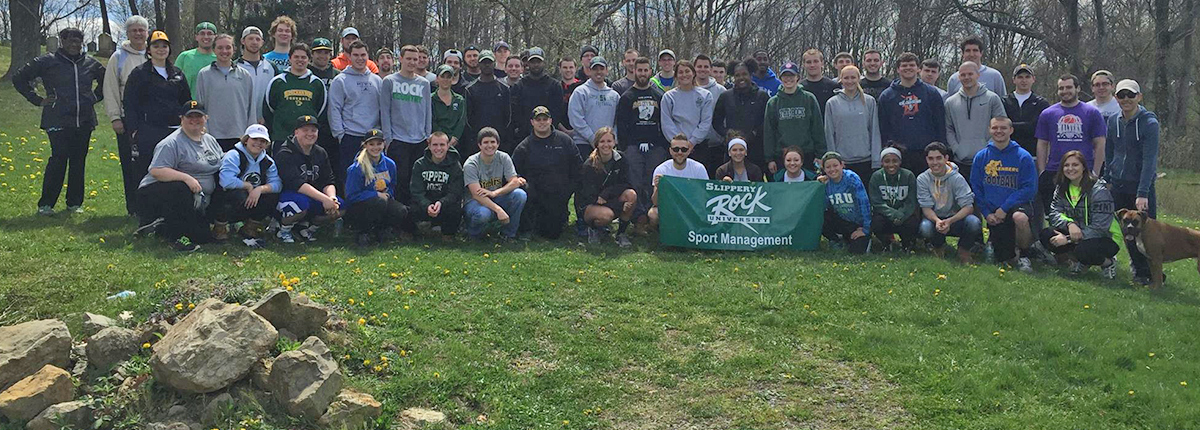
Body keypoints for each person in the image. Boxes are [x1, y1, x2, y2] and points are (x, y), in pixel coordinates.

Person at [13, 27, 105, 216]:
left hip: (84, 120)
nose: (74, 45)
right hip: (57, 119)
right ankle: (46, 204)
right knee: (58, 160)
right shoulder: (48, 61)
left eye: (78, 41)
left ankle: (74, 203)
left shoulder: (90, 63)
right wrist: (38, 100)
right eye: (70, 41)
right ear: (62, 41)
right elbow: (19, 78)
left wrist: (94, 98)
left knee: (79, 162)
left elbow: (108, 80)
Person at [132, 101, 223, 251]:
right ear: (181, 119)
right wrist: (187, 178)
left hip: (196, 198)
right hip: (158, 193)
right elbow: (157, 170)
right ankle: (176, 237)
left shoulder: (209, 140)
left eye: (198, 116)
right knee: (181, 187)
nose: (194, 120)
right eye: (190, 116)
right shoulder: (171, 143)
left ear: (206, 118)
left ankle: (160, 226)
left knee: (204, 237)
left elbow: (220, 162)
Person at [124, 30, 192, 212]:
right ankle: (144, 211)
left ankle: (170, 209)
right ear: (149, 50)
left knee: (173, 170)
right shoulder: (139, 74)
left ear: (169, 49)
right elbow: (130, 103)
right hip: (149, 130)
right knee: (147, 170)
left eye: (164, 46)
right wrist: (134, 130)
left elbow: (186, 101)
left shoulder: (178, 74)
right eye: (156, 46)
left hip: (174, 131)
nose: (160, 49)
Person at [1104, 79, 1159, 285]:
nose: (1126, 99)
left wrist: (1143, 192)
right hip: (1118, 184)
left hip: (1140, 186)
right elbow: (1110, 152)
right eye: (1122, 95)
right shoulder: (1112, 121)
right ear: (1116, 98)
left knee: (1146, 233)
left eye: (1131, 95)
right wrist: (1108, 178)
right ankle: (1138, 269)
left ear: (1139, 97)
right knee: (1128, 230)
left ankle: (1153, 272)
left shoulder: (1149, 123)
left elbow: (1149, 160)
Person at [1035, 74, 1106, 220]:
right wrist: (1042, 171)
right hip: (1054, 171)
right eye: (1061, 88)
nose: (1065, 91)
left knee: (1084, 216)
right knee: (1055, 217)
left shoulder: (1091, 112)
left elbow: (1100, 144)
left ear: (1077, 88)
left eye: (1069, 87)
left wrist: (1096, 172)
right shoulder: (1048, 114)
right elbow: (1042, 143)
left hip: (1084, 173)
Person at [972, 117, 1038, 271]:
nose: (999, 131)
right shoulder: (981, 157)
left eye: (1003, 128)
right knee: (1004, 257)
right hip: (994, 213)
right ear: (989, 130)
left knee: (1020, 218)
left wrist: (1005, 208)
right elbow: (976, 187)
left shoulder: (1023, 156)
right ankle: (996, 245)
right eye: (995, 128)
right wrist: (987, 213)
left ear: (1011, 130)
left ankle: (1024, 255)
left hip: (1016, 207)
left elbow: (1029, 188)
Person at [1042, 150, 1119, 278]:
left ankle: (1108, 263)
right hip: (1077, 233)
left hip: (1105, 238)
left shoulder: (1099, 191)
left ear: (1084, 167)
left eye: (1075, 165)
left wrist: (1067, 239)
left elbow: (1100, 228)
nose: (1070, 169)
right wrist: (1069, 224)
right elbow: (1054, 213)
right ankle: (1080, 262)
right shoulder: (1062, 188)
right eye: (1066, 165)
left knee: (1083, 250)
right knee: (1047, 235)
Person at [513, 106, 581, 239]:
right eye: (538, 120)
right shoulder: (524, 147)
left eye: (545, 119)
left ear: (551, 121)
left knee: (552, 233)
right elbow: (513, 172)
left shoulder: (565, 141)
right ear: (532, 122)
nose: (542, 122)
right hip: (535, 195)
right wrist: (520, 180)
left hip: (559, 193)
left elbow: (578, 166)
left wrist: (568, 189)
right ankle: (527, 226)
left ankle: (561, 216)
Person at [104, 16, 149, 216]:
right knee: (131, 165)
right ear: (127, 33)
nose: (138, 34)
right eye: (134, 30)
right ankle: (134, 207)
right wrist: (115, 118)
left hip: (153, 120)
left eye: (142, 30)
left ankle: (153, 205)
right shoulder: (118, 57)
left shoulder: (154, 53)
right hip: (128, 119)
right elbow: (111, 89)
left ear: (147, 32)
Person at [274, 115, 344, 243]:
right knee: (300, 205)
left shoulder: (320, 152)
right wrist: (324, 199)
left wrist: (331, 198)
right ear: (296, 132)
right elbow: (297, 184)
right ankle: (283, 229)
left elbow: (328, 179)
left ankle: (308, 228)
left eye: (313, 130)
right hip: (288, 195)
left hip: (313, 196)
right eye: (305, 130)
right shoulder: (285, 152)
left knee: (341, 206)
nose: (310, 134)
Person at [616, 56, 668, 222]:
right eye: (640, 70)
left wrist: (660, 145)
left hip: (656, 147)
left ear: (650, 71)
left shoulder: (659, 95)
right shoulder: (627, 97)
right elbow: (622, 125)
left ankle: (652, 215)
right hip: (633, 147)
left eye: (646, 70)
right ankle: (638, 218)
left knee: (652, 182)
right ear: (634, 71)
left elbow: (663, 122)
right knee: (635, 182)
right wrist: (627, 147)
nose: (643, 73)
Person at [379, 45, 433, 201]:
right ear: (400, 59)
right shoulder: (389, 81)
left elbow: (428, 111)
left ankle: (417, 217)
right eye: (408, 58)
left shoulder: (424, 84)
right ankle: (400, 218)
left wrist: (427, 135)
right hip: (398, 140)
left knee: (416, 181)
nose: (412, 62)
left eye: (415, 59)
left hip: (419, 140)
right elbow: (385, 111)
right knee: (400, 180)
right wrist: (388, 139)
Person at [214, 124, 281, 246]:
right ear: (246, 140)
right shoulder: (233, 155)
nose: (258, 143)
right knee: (238, 194)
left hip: (252, 198)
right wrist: (248, 186)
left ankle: (250, 227)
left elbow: (277, 184)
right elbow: (226, 181)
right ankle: (220, 226)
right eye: (254, 139)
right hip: (225, 198)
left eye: (262, 141)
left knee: (272, 196)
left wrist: (260, 189)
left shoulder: (268, 161)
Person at [328, 40, 383, 191]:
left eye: (363, 55)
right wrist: (340, 135)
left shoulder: (377, 80)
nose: (360, 58)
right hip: (350, 137)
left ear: (368, 56)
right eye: (356, 55)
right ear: (349, 57)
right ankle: (348, 210)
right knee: (349, 178)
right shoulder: (340, 80)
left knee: (374, 177)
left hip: (373, 138)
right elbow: (334, 109)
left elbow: (382, 109)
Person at [879, 52, 946, 173]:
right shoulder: (887, 96)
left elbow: (940, 123)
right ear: (898, 69)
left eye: (911, 65)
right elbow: (884, 127)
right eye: (904, 65)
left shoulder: (931, 93)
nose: (908, 68)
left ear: (918, 69)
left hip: (927, 152)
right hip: (899, 154)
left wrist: (941, 149)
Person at [944, 61, 1006, 184]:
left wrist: (987, 150)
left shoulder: (992, 98)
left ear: (978, 75)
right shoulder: (950, 102)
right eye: (963, 75)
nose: (966, 78)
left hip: (988, 161)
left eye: (970, 74)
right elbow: (948, 128)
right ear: (958, 77)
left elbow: (1001, 126)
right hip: (961, 162)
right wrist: (957, 149)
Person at [917, 142, 980, 262]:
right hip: (935, 218)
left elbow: (968, 207)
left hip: (955, 218)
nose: (935, 163)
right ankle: (938, 246)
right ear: (926, 160)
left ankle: (964, 249)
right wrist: (937, 221)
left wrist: (950, 221)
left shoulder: (957, 178)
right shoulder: (922, 179)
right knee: (925, 228)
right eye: (931, 159)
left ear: (946, 158)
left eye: (938, 158)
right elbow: (925, 207)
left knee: (974, 223)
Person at [344, 129, 408, 245]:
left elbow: (392, 184)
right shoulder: (357, 167)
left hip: (383, 200)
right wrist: (375, 194)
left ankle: (382, 230)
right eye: (371, 144)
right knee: (378, 202)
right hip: (360, 207)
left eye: (379, 144)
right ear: (365, 145)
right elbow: (351, 196)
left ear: (384, 144)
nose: (375, 148)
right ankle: (363, 232)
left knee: (400, 210)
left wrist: (389, 194)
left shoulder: (390, 164)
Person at [195, 34, 256, 152]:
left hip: (239, 135)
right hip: (213, 136)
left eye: (228, 47)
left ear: (234, 49)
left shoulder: (244, 75)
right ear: (214, 50)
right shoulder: (204, 74)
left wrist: (250, 134)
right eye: (220, 48)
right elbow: (200, 106)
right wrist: (204, 132)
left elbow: (251, 107)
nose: (224, 51)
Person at [576, 127, 637, 246]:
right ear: (597, 144)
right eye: (602, 141)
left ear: (614, 143)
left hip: (609, 199)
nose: (606, 145)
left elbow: (627, 183)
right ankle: (593, 229)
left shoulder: (621, 159)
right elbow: (589, 195)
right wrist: (619, 206)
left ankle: (621, 234)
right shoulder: (589, 165)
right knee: (606, 215)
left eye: (609, 141)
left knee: (631, 195)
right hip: (590, 204)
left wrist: (608, 193)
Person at [463, 127, 527, 240]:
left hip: (495, 197)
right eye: (485, 142)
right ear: (479, 145)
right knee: (483, 214)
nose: (489, 145)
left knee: (520, 195)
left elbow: (514, 181)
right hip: (475, 202)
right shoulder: (471, 163)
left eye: (493, 142)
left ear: (498, 144)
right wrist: (498, 210)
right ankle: (473, 235)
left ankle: (508, 235)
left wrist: (495, 193)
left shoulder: (504, 157)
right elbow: (476, 194)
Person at [763, 61, 824, 178]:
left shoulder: (809, 99)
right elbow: (769, 132)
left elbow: (817, 127)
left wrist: (820, 154)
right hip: (782, 155)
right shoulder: (773, 102)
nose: (788, 79)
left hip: (807, 153)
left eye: (791, 76)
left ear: (797, 77)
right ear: (780, 78)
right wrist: (769, 158)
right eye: (785, 76)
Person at [824, 65, 882, 182]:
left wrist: (876, 161)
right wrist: (833, 161)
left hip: (865, 160)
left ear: (859, 79)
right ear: (840, 80)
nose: (849, 81)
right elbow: (829, 133)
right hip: (842, 162)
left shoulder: (869, 101)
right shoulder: (832, 103)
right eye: (846, 78)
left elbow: (874, 131)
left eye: (853, 78)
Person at [264, 44, 327, 144]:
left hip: (308, 140)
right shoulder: (277, 82)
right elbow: (269, 110)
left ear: (309, 60)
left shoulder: (317, 83)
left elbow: (321, 112)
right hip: (281, 138)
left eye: (303, 57)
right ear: (290, 59)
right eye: (296, 57)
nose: (300, 60)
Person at [713, 59, 770, 168]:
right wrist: (727, 133)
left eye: (744, 74)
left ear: (751, 74)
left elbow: (766, 121)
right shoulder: (726, 96)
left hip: (756, 149)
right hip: (732, 149)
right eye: (737, 75)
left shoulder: (762, 96)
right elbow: (716, 121)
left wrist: (753, 133)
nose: (741, 78)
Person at [410, 132, 465, 240]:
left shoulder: (455, 165)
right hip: (426, 204)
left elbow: (455, 192)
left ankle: (447, 234)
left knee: (455, 209)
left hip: (445, 204)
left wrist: (441, 203)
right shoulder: (419, 164)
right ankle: (419, 231)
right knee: (410, 209)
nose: (438, 148)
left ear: (448, 145)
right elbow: (416, 191)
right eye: (435, 145)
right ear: (429, 145)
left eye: (442, 145)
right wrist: (427, 205)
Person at [647, 134, 710, 227]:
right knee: (653, 215)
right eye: (676, 149)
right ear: (670, 151)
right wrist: (657, 187)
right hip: (669, 207)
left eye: (683, 149)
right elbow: (655, 202)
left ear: (689, 151)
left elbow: (705, 196)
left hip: (692, 207)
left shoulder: (698, 168)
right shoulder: (661, 169)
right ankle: (662, 235)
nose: (680, 152)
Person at [818, 152, 871, 254]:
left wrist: (865, 229)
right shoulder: (826, 183)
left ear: (842, 165)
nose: (832, 169)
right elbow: (824, 206)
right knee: (822, 217)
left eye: (835, 165)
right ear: (824, 170)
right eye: (828, 167)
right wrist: (819, 187)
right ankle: (836, 239)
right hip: (843, 221)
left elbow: (864, 204)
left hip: (858, 223)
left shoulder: (852, 178)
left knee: (856, 252)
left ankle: (865, 239)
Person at [869, 146, 920, 251]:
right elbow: (876, 202)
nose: (891, 165)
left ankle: (907, 244)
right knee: (876, 223)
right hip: (885, 214)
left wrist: (901, 213)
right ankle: (886, 243)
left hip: (904, 214)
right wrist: (892, 214)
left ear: (900, 162)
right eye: (887, 161)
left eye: (895, 161)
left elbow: (911, 201)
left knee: (912, 223)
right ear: (882, 162)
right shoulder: (876, 176)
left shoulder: (908, 176)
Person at [510, 47, 567, 141]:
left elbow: (558, 112)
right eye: (532, 62)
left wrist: (546, 129)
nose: (536, 65)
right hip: (524, 137)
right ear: (527, 63)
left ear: (543, 63)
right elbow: (515, 114)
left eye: (538, 62)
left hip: (550, 136)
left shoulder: (555, 86)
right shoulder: (519, 86)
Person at [569, 56, 620, 157]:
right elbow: (576, 119)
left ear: (606, 71)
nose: (598, 72)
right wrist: (593, 139)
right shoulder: (580, 92)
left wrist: (610, 141)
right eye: (595, 69)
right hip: (584, 144)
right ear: (589, 71)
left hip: (607, 147)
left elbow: (618, 122)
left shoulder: (614, 96)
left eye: (601, 69)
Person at [464, 50, 512, 155]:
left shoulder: (504, 88)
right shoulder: (470, 89)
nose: (486, 65)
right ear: (479, 64)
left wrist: (500, 136)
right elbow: (468, 118)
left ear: (494, 64)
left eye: (489, 62)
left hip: (499, 141)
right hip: (478, 141)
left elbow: (508, 116)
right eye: (484, 62)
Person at [308, 38, 341, 170]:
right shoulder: (306, 73)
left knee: (333, 165)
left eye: (326, 52)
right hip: (312, 124)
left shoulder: (338, 75)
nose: (322, 56)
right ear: (312, 54)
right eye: (319, 52)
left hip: (332, 126)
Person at [1001, 64, 1050, 152]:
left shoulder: (1041, 103)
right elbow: (1001, 127)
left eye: (1027, 77)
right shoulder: (1004, 101)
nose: (1024, 80)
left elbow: (1035, 128)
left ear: (1033, 79)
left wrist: (1012, 125)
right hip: (1007, 152)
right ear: (1014, 80)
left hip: (1033, 153)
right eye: (1020, 77)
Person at [236, 26, 278, 125]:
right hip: (240, 123)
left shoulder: (271, 67)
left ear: (262, 42)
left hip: (265, 123)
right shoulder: (234, 67)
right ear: (243, 41)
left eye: (257, 39)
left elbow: (275, 96)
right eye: (250, 38)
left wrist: (267, 117)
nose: (254, 42)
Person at [174, 22, 217, 99]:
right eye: (202, 33)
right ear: (196, 37)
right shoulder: (184, 57)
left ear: (215, 37)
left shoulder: (219, 59)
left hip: (213, 105)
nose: (206, 36)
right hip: (189, 105)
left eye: (210, 33)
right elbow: (174, 83)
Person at [431, 64, 467, 148]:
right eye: (442, 76)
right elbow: (431, 121)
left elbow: (461, 121)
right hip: (436, 143)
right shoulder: (430, 99)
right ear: (437, 78)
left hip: (455, 143)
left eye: (448, 77)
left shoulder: (459, 100)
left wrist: (455, 138)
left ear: (452, 79)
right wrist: (442, 139)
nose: (445, 80)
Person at [800, 49, 839, 114]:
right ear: (804, 65)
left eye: (816, 61)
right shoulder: (800, 88)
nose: (812, 65)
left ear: (822, 63)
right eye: (808, 62)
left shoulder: (833, 86)